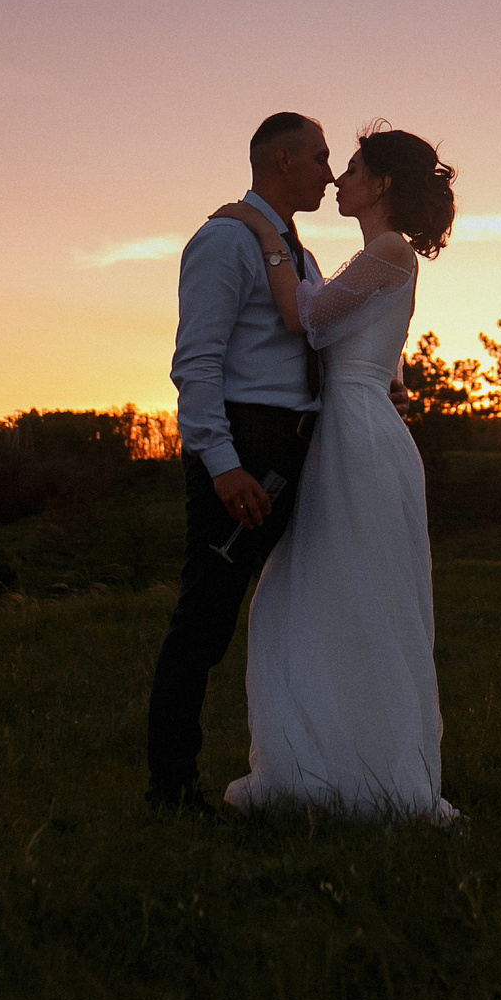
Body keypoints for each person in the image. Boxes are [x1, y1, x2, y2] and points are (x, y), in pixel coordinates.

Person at [209, 122, 459, 822]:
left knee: (362, 597)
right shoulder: (375, 258)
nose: (338, 179)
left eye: (350, 167)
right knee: (324, 595)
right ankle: (335, 760)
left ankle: (371, 770)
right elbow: (368, 342)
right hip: (348, 429)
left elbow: (303, 314)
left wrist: (263, 236)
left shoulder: (386, 251)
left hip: (359, 437)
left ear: (379, 183)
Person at [145, 111, 333, 812]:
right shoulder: (224, 240)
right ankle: (170, 786)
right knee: (205, 619)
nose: (330, 171)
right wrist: (221, 463)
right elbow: (196, 361)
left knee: (291, 610)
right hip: (244, 448)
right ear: (281, 160)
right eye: (319, 157)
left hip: (296, 446)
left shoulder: (300, 257)